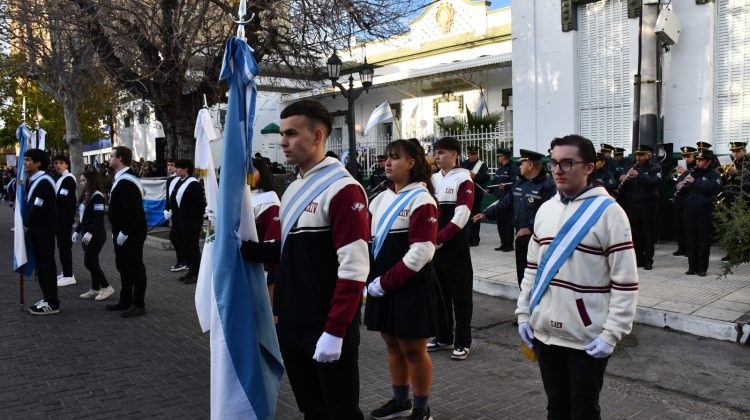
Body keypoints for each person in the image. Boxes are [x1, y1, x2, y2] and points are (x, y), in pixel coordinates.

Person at [240, 100, 369, 419]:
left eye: (292, 133)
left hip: (325, 324)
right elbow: (289, 251)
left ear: (318, 135)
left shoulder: (343, 189)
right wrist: (245, 249)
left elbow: (354, 267)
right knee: (311, 409)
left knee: (340, 411)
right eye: (282, 134)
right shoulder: (295, 187)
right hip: (292, 322)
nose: (282, 141)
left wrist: (336, 329)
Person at [516, 134, 638, 420]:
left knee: (583, 411)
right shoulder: (546, 209)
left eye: (567, 163)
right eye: (554, 163)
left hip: (586, 338)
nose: (558, 170)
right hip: (545, 334)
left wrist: (612, 334)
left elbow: (625, 281)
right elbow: (532, 269)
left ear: (589, 167)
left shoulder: (610, 213)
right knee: (556, 408)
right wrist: (523, 313)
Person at [365, 139, 439, 420]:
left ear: (411, 162)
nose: (387, 162)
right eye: (387, 157)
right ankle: (400, 401)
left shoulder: (422, 199)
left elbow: (422, 251)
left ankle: (421, 408)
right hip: (383, 285)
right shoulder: (381, 198)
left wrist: (385, 283)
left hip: (409, 285)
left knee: (413, 349)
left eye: (395, 157)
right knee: (391, 342)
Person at [473, 149, 556, 286]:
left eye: (522, 164)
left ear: (530, 166)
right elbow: (505, 203)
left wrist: (530, 228)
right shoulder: (520, 184)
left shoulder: (547, 187)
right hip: (520, 237)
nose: (519, 167)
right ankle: (524, 301)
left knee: (537, 274)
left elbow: (548, 213)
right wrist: (486, 214)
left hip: (537, 238)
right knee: (522, 274)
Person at [428, 136, 474, 360]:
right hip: (435, 247)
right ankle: (443, 337)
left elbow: (463, 214)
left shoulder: (464, 179)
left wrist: (441, 237)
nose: (436, 157)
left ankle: (463, 342)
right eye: (435, 152)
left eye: (441, 153)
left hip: (454, 247)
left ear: (454, 154)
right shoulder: (433, 179)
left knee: (461, 296)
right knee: (440, 294)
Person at [106, 146, 148, 318]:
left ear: (120, 158)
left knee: (134, 266)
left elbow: (132, 210)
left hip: (131, 232)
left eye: (111, 156)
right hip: (122, 231)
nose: (109, 159)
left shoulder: (127, 181)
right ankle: (125, 299)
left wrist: (124, 231)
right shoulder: (121, 178)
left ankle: (138, 303)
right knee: (123, 265)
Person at [23, 149, 60, 315]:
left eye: (28, 160)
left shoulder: (44, 181)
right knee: (42, 266)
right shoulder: (35, 180)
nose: (25, 163)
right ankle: (47, 297)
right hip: (38, 231)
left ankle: (52, 302)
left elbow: (37, 207)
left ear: (38, 163)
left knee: (46, 266)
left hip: (44, 231)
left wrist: (25, 223)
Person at [617, 145, 661, 270]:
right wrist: (621, 179)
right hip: (632, 205)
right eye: (637, 155)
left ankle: (648, 260)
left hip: (648, 205)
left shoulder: (655, 168)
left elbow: (654, 183)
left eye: (642, 155)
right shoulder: (630, 168)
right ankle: (638, 259)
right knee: (635, 234)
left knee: (648, 234)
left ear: (648, 155)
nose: (639, 157)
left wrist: (639, 175)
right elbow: (624, 188)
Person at [680, 149, 722, 277]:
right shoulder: (691, 172)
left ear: (708, 162)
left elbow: (714, 189)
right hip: (689, 209)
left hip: (704, 210)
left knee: (703, 240)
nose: (697, 161)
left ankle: (702, 268)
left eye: (701, 160)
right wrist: (680, 186)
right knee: (691, 239)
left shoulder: (714, 175)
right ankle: (692, 267)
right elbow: (678, 185)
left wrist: (696, 182)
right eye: (697, 159)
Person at [75, 171, 115, 300]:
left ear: (91, 181)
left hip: (96, 235)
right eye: (80, 180)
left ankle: (106, 286)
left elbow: (98, 218)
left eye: (83, 180)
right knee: (94, 261)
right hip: (86, 233)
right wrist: (77, 231)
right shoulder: (85, 194)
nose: (81, 183)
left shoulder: (97, 196)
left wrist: (90, 233)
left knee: (89, 262)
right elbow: (83, 217)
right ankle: (95, 288)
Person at [250, 157, 281, 302]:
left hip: (261, 266)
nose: (247, 174)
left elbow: (272, 236)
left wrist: (268, 268)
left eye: (252, 171)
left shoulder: (268, 199)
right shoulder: (241, 196)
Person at [170, 159, 205, 284]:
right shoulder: (179, 181)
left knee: (192, 247)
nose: (176, 170)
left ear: (186, 169)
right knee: (186, 246)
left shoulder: (193, 184)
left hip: (192, 221)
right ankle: (191, 270)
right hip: (182, 220)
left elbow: (200, 204)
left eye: (179, 168)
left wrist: (194, 216)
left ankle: (196, 272)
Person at [53, 155, 78, 287]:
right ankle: (66, 272)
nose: (58, 165)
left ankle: (69, 275)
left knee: (64, 246)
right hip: (60, 217)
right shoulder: (61, 178)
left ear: (67, 165)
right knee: (62, 246)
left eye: (61, 163)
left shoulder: (68, 178)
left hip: (65, 218)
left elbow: (62, 197)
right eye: (56, 163)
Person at [488, 148, 519, 252]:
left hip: (508, 200)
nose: (498, 158)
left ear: (504, 156)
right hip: (499, 199)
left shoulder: (513, 168)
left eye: (499, 156)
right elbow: (496, 181)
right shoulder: (500, 168)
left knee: (507, 223)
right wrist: (490, 190)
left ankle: (509, 244)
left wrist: (506, 187)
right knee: (500, 223)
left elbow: (516, 183)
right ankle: (503, 243)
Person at [460, 146, 489, 247]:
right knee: (465, 216)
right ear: (468, 154)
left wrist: (475, 176)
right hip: (464, 194)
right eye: (471, 153)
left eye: (475, 154)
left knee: (475, 217)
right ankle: (466, 238)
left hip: (476, 194)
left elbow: (486, 177)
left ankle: (475, 239)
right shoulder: (463, 164)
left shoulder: (481, 165)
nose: (473, 155)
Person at [671, 146, 697, 256]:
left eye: (688, 156)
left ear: (694, 156)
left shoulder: (696, 166)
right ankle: (681, 247)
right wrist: (676, 174)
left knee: (690, 226)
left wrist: (685, 173)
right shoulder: (679, 165)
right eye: (684, 156)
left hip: (691, 200)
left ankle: (689, 249)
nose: (685, 158)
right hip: (679, 199)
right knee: (679, 224)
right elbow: (669, 179)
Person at [163, 158, 187, 272]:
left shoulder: (181, 180)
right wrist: (166, 209)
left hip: (181, 214)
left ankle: (183, 260)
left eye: (172, 165)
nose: (170, 167)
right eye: (168, 165)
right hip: (173, 213)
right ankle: (182, 259)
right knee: (174, 236)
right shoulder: (169, 180)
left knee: (179, 237)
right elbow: (169, 197)